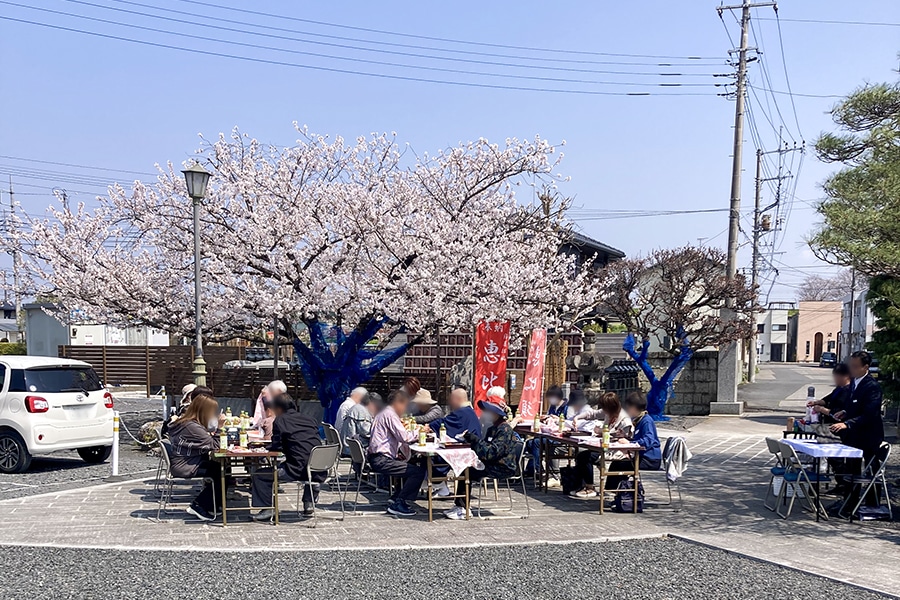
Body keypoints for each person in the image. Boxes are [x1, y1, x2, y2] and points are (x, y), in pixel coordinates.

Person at [251, 393, 326, 521]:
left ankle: (268, 509)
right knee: (307, 459)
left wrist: (263, 448)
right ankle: (309, 503)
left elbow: (276, 447)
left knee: (259, 475)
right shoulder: (309, 419)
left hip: (296, 470)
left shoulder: (280, 421)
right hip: (320, 468)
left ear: (278, 409)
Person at [444, 396, 520, 520]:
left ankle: (463, 508)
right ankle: (460, 505)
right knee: (466, 467)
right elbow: (485, 449)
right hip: (492, 463)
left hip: (502, 466)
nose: (485, 413)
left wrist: (474, 440)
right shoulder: (492, 428)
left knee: (467, 471)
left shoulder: (504, 430)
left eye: (488, 411)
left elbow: (490, 453)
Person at [167, 393, 227, 521]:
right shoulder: (192, 427)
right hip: (186, 466)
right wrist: (220, 428)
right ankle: (199, 505)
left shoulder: (188, 423)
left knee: (221, 468)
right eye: (212, 412)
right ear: (204, 411)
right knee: (220, 471)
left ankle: (213, 504)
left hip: (189, 462)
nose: (213, 415)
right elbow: (214, 445)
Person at [367, 389, 426, 517]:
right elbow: (404, 437)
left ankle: (396, 496)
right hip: (380, 459)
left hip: (377, 456)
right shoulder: (390, 414)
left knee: (409, 462)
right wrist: (421, 431)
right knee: (418, 472)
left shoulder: (384, 413)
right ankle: (399, 502)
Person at [570, 392, 634, 499]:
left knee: (585, 457)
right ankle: (583, 485)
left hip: (619, 451)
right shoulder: (607, 413)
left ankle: (590, 487)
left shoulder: (624, 420)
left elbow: (623, 439)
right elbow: (593, 414)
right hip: (604, 447)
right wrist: (577, 418)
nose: (603, 411)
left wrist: (601, 431)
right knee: (581, 455)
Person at [423, 387, 481, 497]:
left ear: (457, 399)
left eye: (451, 399)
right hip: (469, 448)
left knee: (431, 457)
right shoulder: (469, 411)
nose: (450, 403)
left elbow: (445, 423)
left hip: (467, 451)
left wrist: (429, 426)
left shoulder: (462, 412)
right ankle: (440, 486)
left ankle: (436, 482)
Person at [623, 392, 661, 471]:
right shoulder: (638, 420)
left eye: (628, 407)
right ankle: (625, 483)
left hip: (650, 459)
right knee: (618, 463)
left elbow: (648, 440)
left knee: (619, 465)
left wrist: (629, 444)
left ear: (634, 407)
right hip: (641, 456)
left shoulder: (646, 421)